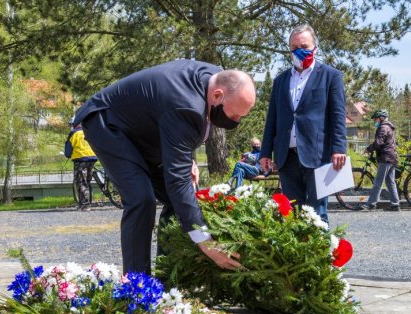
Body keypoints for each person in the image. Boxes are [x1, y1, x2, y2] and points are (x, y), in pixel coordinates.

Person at [73, 60, 256, 275]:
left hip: (144, 130)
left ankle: (167, 275)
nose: (236, 121)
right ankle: (138, 286)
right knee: (141, 199)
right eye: (234, 115)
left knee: (175, 202)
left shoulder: (217, 77)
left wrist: (189, 158)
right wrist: (206, 242)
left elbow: (180, 126)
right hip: (108, 124)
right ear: (217, 96)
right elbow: (178, 182)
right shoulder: (186, 106)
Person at [259, 24, 347, 224]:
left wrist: (339, 148)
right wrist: (265, 152)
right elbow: (272, 118)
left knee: (318, 214)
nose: (299, 50)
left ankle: (322, 255)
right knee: (292, 214)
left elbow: (337, 115)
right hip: (286, 158)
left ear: (315, 48)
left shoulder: (331, 76)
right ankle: (296, 256)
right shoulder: (280, 80)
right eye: (294, 46)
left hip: (319, 156)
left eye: (304, 46)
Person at [361, 109, 400, 211]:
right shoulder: (389, 127)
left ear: (381, 118)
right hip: (392, 157)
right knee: (390, 183)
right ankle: (395, 205)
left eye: (376, 119)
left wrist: (368, 149)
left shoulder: (383, 128)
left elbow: (379, 142)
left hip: (386, 157)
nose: (375, 121)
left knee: (378, 182)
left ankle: (371, 204)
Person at [66, 122, 98, 211]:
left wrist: (69, 155)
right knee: (87, 181)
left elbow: (68, 152)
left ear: (74, 125)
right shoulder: (89, 131)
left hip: (80, 160)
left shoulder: (74, 133)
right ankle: (86, 203)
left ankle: (85, 205)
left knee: (81, 182)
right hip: (92, 158)